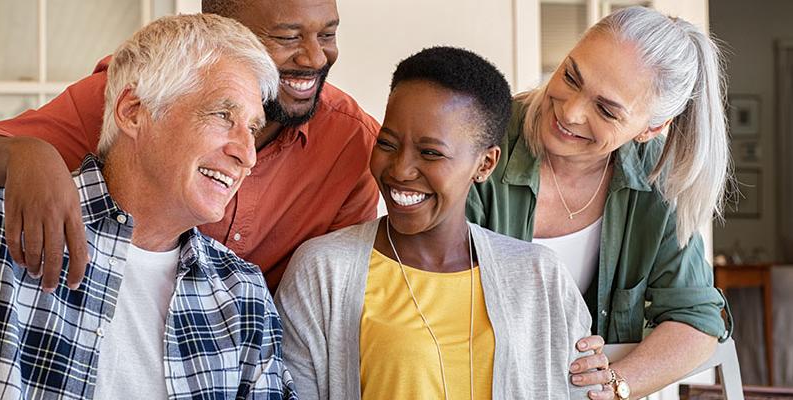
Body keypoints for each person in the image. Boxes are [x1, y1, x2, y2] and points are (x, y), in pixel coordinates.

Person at [0, 14, 295, 399]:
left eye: (253, 129)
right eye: (223, 115)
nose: (247, 154)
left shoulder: (242, 293)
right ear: (133, 112)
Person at [0, 0, 378, 293]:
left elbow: (331, 296)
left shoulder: (352, 142)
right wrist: (26, 154)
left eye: (327, 35)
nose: (316, 58)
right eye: (287, 37)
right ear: (223, 34)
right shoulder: (139, 96)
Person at [275, 47, 594, 399]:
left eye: (430, 153)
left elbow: (581, 388)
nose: (400, 169)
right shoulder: (324, 270)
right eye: (387, 143)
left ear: (485, 164)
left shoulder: (539, 277)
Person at [466, 6, 732, 399]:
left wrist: (614, 385)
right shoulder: (482, 137)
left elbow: (695, 320)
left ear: (652, 128)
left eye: (606, 110)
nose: (570, 112)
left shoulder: (659, 183)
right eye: (571, 76)